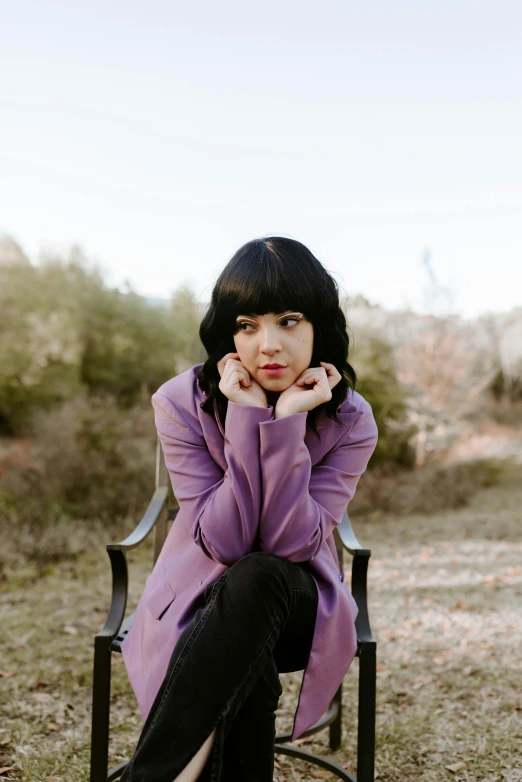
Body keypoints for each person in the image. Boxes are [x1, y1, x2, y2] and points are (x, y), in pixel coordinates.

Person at [120, 236, 378, 782]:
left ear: (320, 327)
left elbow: (290, 544)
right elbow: (224, 542)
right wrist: (246, 413)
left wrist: (283, 424)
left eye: (288, 321)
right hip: (197, 602)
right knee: (245, 648)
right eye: (247, 325)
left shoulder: (350, 420)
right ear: (228, 335)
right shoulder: (180, 403)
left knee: (261, 576)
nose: (268, 345)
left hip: (299, 605)